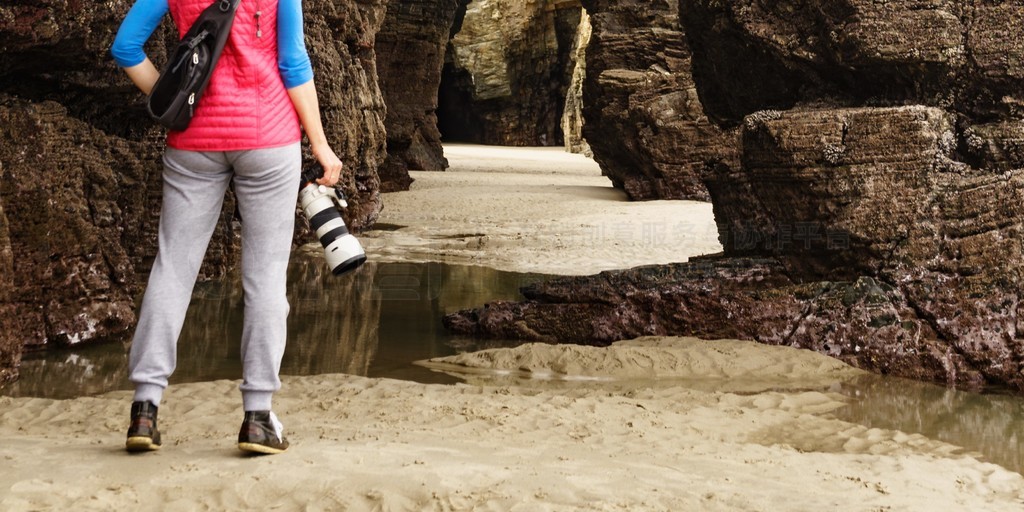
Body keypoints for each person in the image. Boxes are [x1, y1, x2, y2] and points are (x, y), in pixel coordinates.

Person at [111, 0, 342, 454]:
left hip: (193, 139)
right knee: (266, 277)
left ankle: (145, 408)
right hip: (269, 140)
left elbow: (125, 47)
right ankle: (257, 417)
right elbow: (293, 61)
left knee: (173, 269)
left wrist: (171, 96)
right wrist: (320, 144)